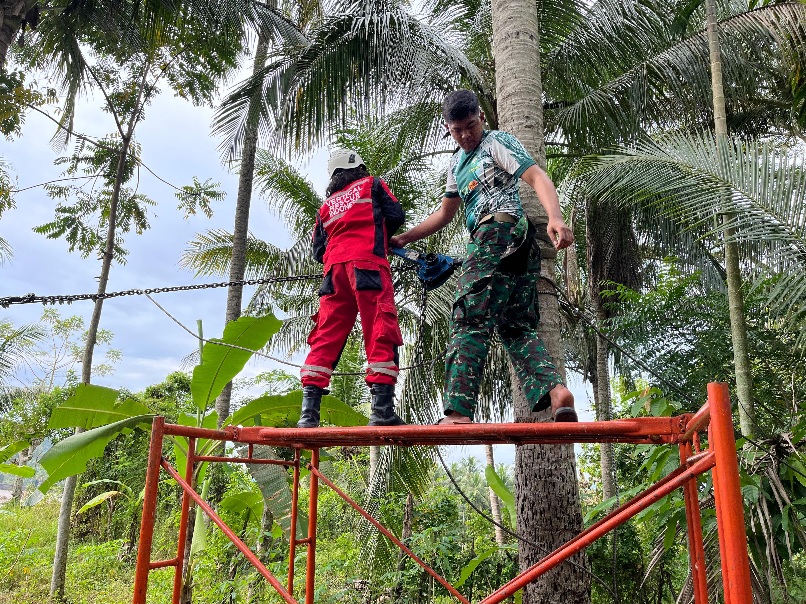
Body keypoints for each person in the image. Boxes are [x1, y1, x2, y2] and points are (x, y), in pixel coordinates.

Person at [390, 90, 578, 424]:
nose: (465, 135)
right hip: (510, 245)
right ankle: (556, 392)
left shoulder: (496, 142)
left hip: (500, 230)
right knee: (514, 325)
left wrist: (555, 217)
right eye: (457, 130)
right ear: (447, 128)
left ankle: (458, 413)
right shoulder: (457, 164)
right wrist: (403, 239)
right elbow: (445, 213)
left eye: (471, 126)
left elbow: (536, 176)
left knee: (468, 315)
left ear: (480, 117)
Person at [298, 149, 407, 428]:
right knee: (380, 328)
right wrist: (379, 238)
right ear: (359, 168)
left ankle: (308, 416)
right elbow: (396, 215)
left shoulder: (325, 207)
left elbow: (318, 251)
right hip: (368, 266)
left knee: (326, 335)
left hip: (333, 276)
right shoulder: (372, 184)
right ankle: (381, 411)